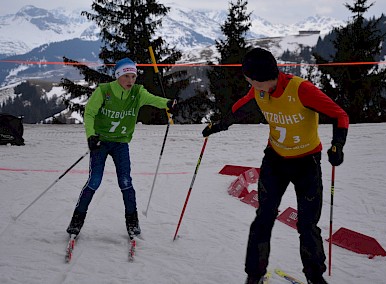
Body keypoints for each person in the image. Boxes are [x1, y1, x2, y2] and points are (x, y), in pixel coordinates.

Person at [202, 48, 349, 284]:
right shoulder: (258, 91)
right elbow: (237, 110)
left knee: (307, 224)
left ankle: (315, 277)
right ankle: (254, 275)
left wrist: (337, 145)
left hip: (307, 163)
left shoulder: (300, 89)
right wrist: (218, 126)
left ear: (259, 78)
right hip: (275, 160)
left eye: (250, 80)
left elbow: (340, 115)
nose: (249, 83)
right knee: (264, 217)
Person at [66, 57, 177, 240]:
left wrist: (168, 103)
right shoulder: (105, 91)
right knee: (94, 181)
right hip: (100, 143)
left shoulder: (137, 93)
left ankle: (132, 222)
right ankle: (76, 220)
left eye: (133, 77)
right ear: (118, 76)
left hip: (120, 143)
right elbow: (90, 113)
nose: (130, 81)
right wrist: (91, 136)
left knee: (125, 182)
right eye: (127, 77)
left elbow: (154, 100)